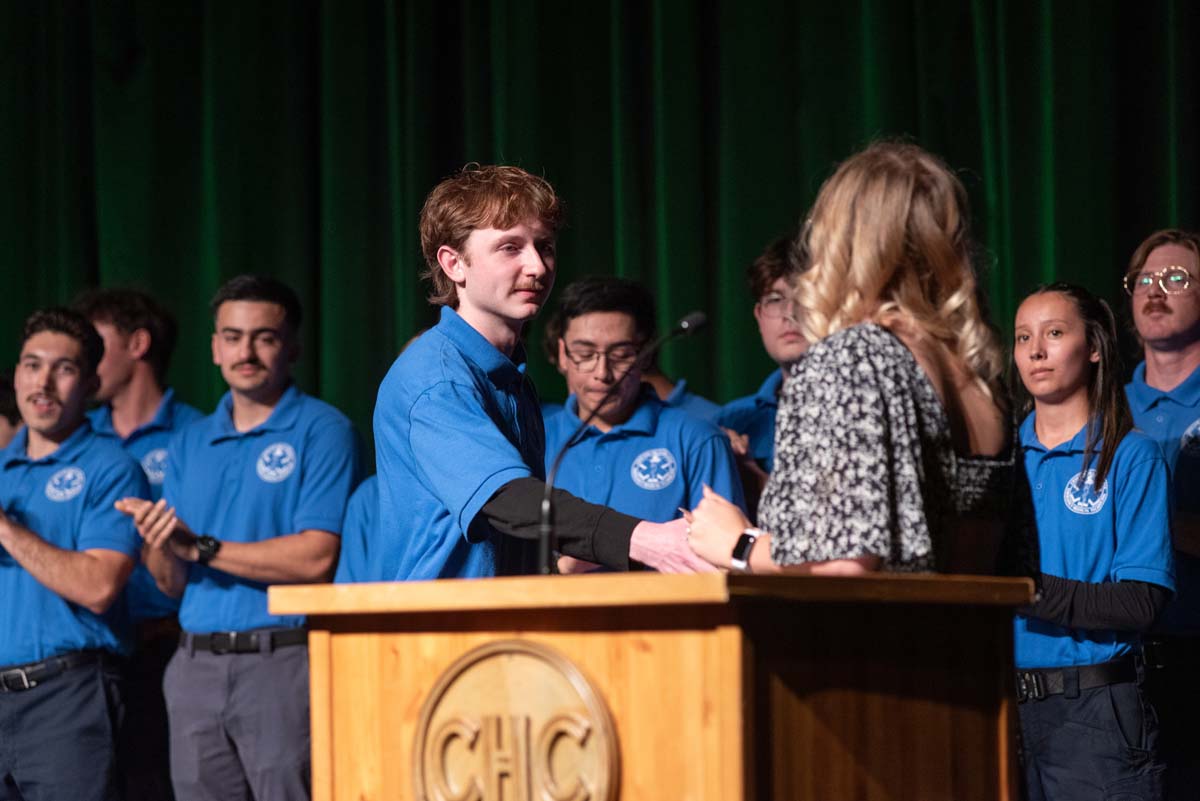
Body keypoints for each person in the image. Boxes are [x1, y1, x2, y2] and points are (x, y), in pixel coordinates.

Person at [686, 141, 1010, 575]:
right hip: (964, 620)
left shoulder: (855, 358)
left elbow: (845, 565)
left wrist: (737, 544)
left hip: (864, 621)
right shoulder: (979, 375)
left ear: (840, 239)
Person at [373, 164, 709, 580]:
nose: (537, 266)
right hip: (445, 620)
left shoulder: (507, 374)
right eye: (510, 248)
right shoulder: (437, 379)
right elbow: (509, 501)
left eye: (544, 246)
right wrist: (645, 539)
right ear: (454, 264)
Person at [117, 275, 360, 801]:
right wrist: (159, 543)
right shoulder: (189, 442)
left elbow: (316, 558)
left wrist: (202, 547)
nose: (245, 352)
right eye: (232, 337)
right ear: (215, 348)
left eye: (263, 338)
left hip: (282, 661)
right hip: (193, 666)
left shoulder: (323, 429)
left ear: (292, 347)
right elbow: (172, 584)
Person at [1011, 283, 1173, 801]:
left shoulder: (1131, 455)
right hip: (1001, 708)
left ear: (1095, 347)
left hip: (1095, 710)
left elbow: (1141, 601)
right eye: (1023, 337)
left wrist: (1023, 590)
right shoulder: (1003, 459)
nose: (1036, 351)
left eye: (1055, 333)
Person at [0, 308, 149, 800]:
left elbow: (99, 587)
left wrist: (6, 530)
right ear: (16, 375)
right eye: (31, 365)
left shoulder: (112, 468)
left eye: (62, 369)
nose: (42, 383)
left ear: (89, 384)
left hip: (67, 698)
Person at [76, 287, 203, 801]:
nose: (81, 358)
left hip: (169, 647)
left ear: (138, 344)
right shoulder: (76, 438)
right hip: (91, 657)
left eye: (94, 343)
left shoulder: (198, 435)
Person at [544, 276, 744, 526]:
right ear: (562, 354)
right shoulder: (536, 440)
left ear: (646, 355)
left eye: (621, 355)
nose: (602, 373)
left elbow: (725, 543)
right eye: (585, 354)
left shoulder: (697, 440)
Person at [1121, 229, 1200, 801]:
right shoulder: (1103, 406)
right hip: (1119, 666)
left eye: (1176, 279)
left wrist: (1154, 526)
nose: (1155, 291)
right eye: (1144, 280)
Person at [716, 235, 809, 516]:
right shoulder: (732, 418)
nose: (789, 313)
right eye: (776, 300)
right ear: (758, 316)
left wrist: (757, 479)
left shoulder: (855, 407)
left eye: (803, 298)